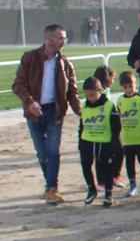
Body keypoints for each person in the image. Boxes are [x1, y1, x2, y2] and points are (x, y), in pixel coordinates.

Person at [12, 24, 81, 205]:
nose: (63, 42)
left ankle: (52, 188)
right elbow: (17, 85)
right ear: (48, 38)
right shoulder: (30, 58)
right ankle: (49, 185)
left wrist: (81, 111)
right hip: (34, 112)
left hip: (55, 112)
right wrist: (29, 103)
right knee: (42, 153)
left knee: (52, 150)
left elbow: (72, 92)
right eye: (60, 38)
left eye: (64, 39)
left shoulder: (65, 64)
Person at [77, 76, 121, 207]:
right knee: (85, 166)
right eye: (87, 95)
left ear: (100, 91)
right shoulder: (85, 105)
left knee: (106, 169)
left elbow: (116, 127)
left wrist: (114, 143)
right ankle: (91, 189)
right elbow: (82, 124)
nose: (90, 97)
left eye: (92, 94)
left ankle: (108, 194)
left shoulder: (109, 106)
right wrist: (80, 140)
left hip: (104, 142)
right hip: (87, 141)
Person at [116, 71, 140, 196]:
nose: (128, 89)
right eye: (125, 87)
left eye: (131, 86)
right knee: (129, 162)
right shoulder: (120, 100)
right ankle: (132, 186)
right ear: (122, 87)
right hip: (127, 138)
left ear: (135, 84)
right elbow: (118, 120)